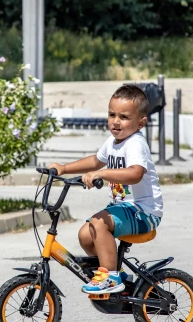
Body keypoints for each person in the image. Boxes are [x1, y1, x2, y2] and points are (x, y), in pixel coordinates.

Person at [48, 84, 163, 295]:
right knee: (85, 235)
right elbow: (95, 161)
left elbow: (135, 173)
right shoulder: (113, 142)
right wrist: (63, 168)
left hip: (143, 211)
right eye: (112, 115)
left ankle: (110, 277)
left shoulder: (135, 143)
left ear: (141, 123)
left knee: (98, 223)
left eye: (124, 117)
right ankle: (116, 274)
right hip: (123, 208)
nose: (116, 121)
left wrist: (103, 174)